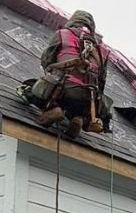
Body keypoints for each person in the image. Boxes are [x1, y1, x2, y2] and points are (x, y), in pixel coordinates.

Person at [17, 10, 111, 138]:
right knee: (80, 104)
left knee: (29, 87)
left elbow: (47, 61)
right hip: (88, 99)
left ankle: (53, 110)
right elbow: (102, 80)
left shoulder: (63, 34)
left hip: (62, 89)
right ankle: (79, 118)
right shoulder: (102, 50)